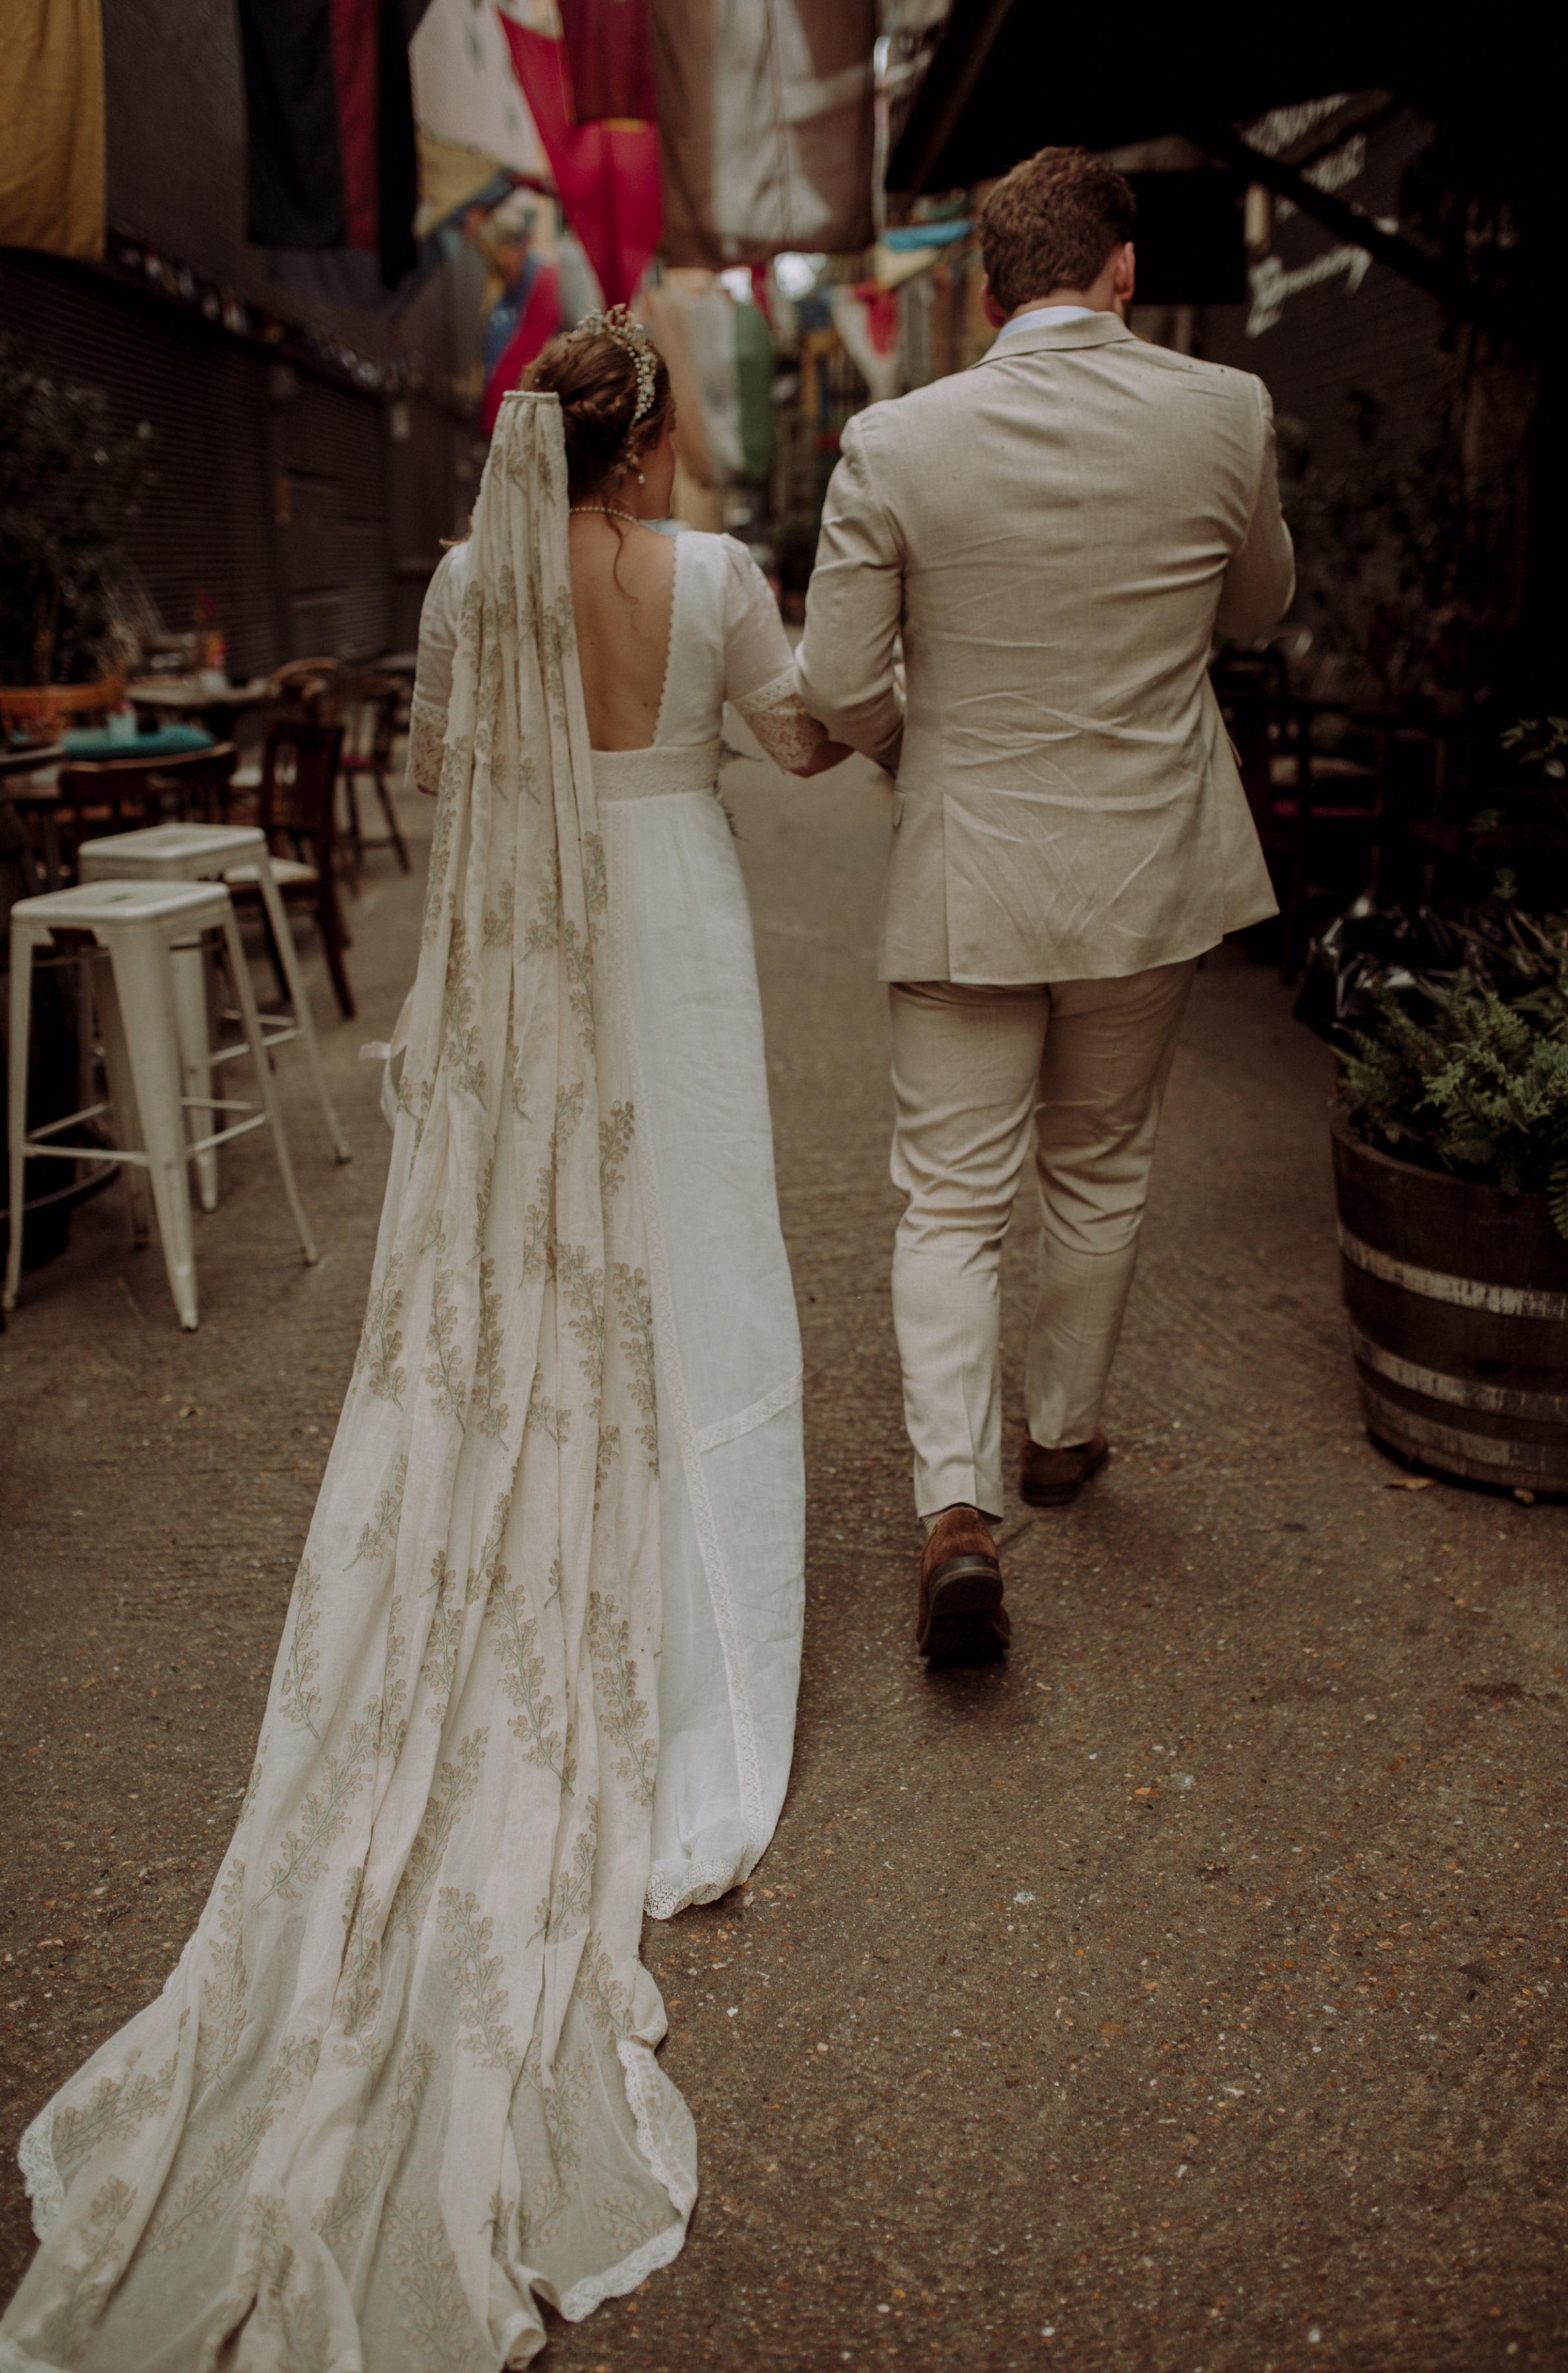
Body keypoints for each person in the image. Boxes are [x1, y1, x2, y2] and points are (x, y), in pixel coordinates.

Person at [2, 311, 845, 2370]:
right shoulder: (726, 582)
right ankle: (701, 1726)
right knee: (710, 1279)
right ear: (645, 452)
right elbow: (807, 745)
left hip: (545, 965)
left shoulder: (471, 583)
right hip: (683, 921)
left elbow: (457, 786)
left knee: (554, 1292)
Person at [795, 146, 1295, 1661]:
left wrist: (911, 752)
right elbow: (1260, 610)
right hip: (1148, 867)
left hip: (970, 871)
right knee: (1097, 1161)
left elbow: (828, 681)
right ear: (1123, 269)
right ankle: (1063, 1436)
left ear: (987, 286)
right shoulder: (1226, 413)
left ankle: (956, 1506)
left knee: (949, 1195)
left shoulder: (897, 438)